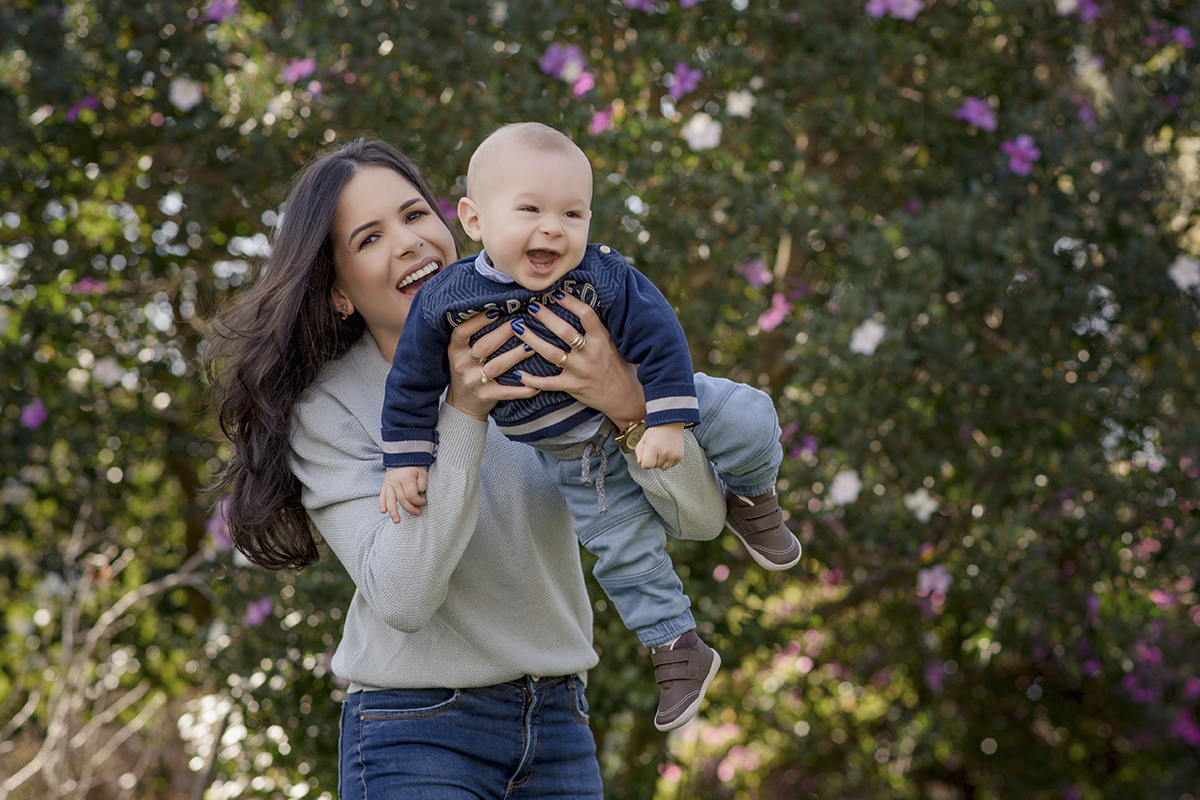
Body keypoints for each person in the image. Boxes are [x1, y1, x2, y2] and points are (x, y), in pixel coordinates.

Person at [204, 137, 748, 797]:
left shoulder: (563, 343)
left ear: (461, 221)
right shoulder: (331, 412)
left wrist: (625, 402)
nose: (407, 242)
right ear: (338, 292)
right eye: (369, 238)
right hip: (415, 731)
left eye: (413, 215)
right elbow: (404, 597)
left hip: (559, 725)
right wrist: (462, 410)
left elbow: (696, 519)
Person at [378, 123, 801, 732]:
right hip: (574, 454)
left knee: (748, 413)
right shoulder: (448, 299)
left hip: (652, 400)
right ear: (474, 221)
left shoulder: (599, 276)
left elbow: (660, 336)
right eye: (529, 209)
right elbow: (413, 383)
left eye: (572, 214)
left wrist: (665, 417)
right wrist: (406, 461)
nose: (553, 227)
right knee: (623, 551)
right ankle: (677, 648)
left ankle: (756, 498)